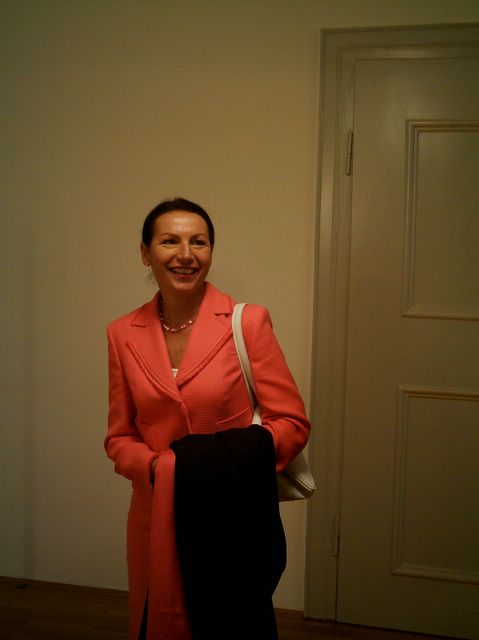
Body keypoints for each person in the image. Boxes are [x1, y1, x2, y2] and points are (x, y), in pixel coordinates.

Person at [105, 198, 311, 640]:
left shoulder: (248, 323)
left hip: (230, 518)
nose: (186, 254)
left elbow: (292, 424)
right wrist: (160, 469)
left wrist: (217, 464)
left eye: (198, 242)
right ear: (145, 253)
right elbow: (119, 437)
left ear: (211, 252)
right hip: (154, 516)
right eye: (170, 241)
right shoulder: (122, 333)